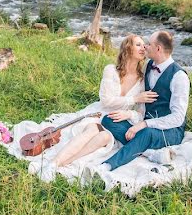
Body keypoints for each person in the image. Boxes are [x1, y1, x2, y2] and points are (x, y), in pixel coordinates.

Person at [41, 34, 157, 176]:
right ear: (127, 48)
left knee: (104, 138)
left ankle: (62, 164)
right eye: (138, 44)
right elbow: (106, 100)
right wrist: (134, 99)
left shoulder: (142, 80)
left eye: (144, 45)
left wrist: (128, 113)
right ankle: (53, 163)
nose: (143, 47)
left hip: (116, 120)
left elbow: (140, 113)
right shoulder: (111, 70)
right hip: (100, 113)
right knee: (92, 130)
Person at [99, 30, 189, 171]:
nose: (145, 47)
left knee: (145, 133)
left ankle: (107, 166)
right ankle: (149, 153)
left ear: (158, 48)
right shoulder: (148, 66)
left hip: (170, 130)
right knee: (108, 119)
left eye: (148, 44)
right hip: (145, 123)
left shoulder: (179, 77)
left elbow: (178, 118)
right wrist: (134, 118)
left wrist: (144, 124)